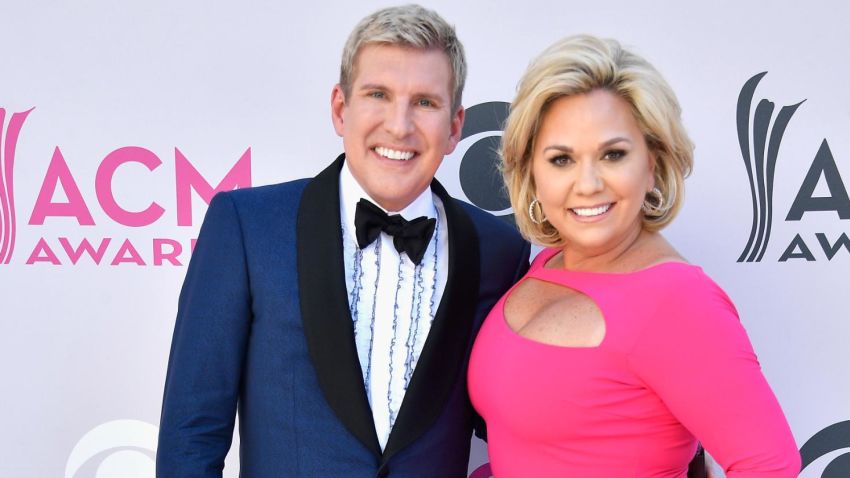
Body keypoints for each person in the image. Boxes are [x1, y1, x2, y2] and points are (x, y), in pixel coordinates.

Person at [156, 5, 530, 478]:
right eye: (378, 94)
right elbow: (191, 436)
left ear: (455, 126)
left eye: (425, 102)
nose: (399, 125)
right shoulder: (247, 226)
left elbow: (510, 421)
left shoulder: (500, 249)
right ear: (340, 108)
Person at [468, 35, 801, 477]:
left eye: (613, 154)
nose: (587, 184)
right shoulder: (548, 264)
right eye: (561, 159)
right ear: (532, 171)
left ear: (653, 163)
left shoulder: (678, 301)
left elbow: (769, 466)